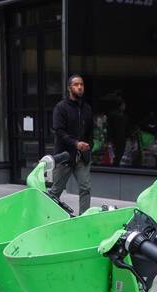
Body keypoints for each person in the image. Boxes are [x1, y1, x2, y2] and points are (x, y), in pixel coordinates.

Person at [49, 75, 94, 212]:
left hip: (82, 156)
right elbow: (59, 131)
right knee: (55, 192)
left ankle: (83, 218)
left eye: (81, 84)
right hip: (65, 156)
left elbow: (90, 130)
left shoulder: (87, 108)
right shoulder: (61, 107)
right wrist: (75, 143)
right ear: (69, 88)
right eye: (76, 84)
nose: (79, 87)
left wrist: (89, 146)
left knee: (85, 188)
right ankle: (49, 216)